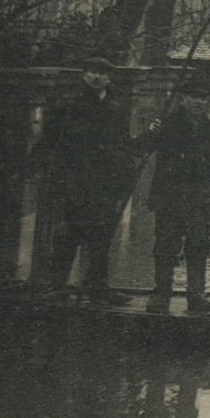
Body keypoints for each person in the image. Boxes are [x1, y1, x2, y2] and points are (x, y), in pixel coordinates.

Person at [40, 56, 137, 305]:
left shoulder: (116, 109)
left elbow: (124, 147)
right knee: (69, 234)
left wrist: (124, 180)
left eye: (102, 73)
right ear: (84, 75)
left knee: (100, 237)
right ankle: (57, 285)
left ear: (109, 78)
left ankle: (98, 289)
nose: (96, 77)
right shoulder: (69, 106)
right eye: (92, 72)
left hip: (104, 184)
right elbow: (51, 143)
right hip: (74, 182)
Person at [142, 81, 210, 314]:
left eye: (203, 98)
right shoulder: (166, 125)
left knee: (199, 245)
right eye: (193, 96)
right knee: (165, 246)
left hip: (200, 199)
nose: (198, 102)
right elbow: (141, 149)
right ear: (182, 98)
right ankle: (161, 294)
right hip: (170, 197)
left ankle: (196, 295)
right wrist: (151, 132)